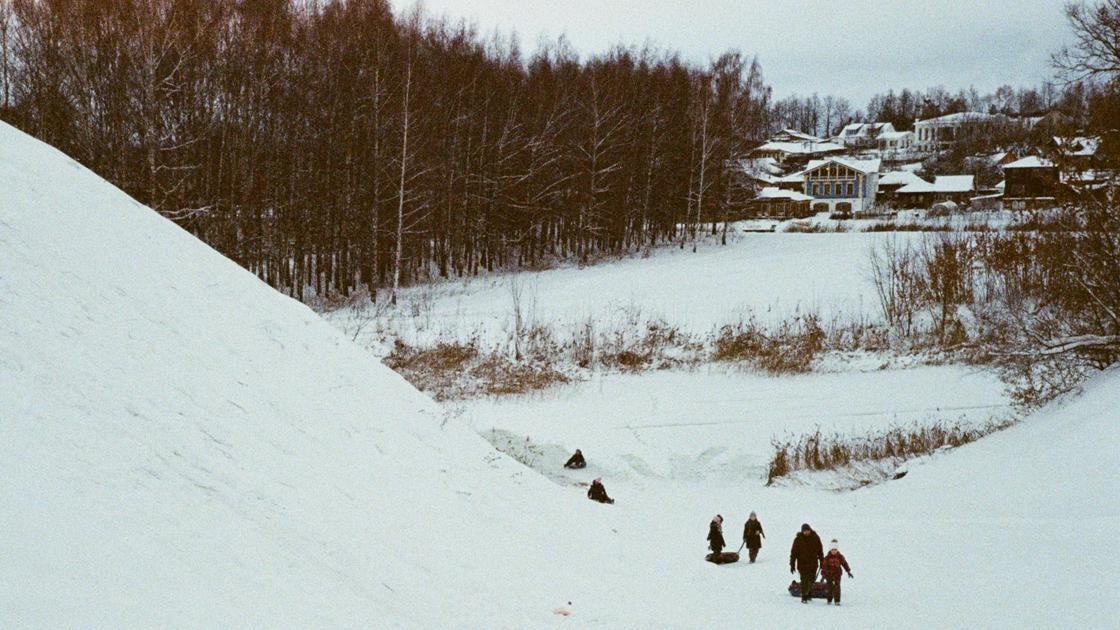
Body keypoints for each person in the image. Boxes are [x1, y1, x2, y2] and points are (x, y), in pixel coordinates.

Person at [789, 523, 824, 603]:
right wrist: (792, 565)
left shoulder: (816, 538)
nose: (806, 532)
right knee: (804, 581)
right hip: (802, 565)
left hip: (813, 564)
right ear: (802, 531)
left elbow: (820, 552)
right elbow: (793, 553)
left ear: (810, 530)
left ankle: (809, 594)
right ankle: (804, 597)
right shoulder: (798, 539)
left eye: (807, 530)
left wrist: (822, 562)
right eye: (804, 531)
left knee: (811, 580)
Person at [820, 539, 853, 605]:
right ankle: (829, 600)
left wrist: (848, 571)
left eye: (835, 550)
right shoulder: (827, 558)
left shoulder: (840, 557)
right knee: (829, 587)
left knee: (837, 587)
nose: (834, 551)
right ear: (830, 550)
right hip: (828, 574)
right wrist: (823, 576)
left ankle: (837, 601)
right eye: (832, 550)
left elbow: (844, 564)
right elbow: (824, 567)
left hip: (837, 574)